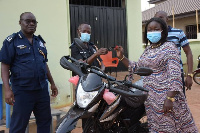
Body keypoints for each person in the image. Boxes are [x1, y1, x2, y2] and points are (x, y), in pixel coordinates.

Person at [115, 17, 198, 132]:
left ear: (163, 31)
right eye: (149, 30)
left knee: (171, 126)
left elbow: (175, 75)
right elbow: (137, 67)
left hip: (167, 97)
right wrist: (122, 57)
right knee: (157, 127)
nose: (152, 32)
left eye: (156, 29)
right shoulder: (148, 49)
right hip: (152, 99)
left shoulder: (169, 47)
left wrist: (170, 98)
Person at [0, 12, 58, 132]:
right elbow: (5, 65)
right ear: (20, 22)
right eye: (28, 21)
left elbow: (44, 64)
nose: (31, 24)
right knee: (18, 125)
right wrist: (7, 89)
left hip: (41, 89)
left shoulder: (39, 42)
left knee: (44, 122)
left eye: (34, 21)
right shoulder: (12, 41)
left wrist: (52, 83)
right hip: (22, 91)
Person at [69, 23, 108, 129]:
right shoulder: (75, 47)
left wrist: (101, 71)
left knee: (98, 110)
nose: (86, 34)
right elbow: (82, 64)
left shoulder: (92, 46)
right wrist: (96, 54)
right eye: (84, 31)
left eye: (88, 32)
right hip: (85, 84)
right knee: (87, 111)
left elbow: (101, 62)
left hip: (96, 81)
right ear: (78, 31)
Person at [155, 11, 193, 93]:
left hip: (176, 74)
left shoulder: (178, 33)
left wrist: (189, 74)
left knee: (179, 102)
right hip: (159, 75)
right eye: (157, 18)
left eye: (161, 17)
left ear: (167, 19)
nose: (159, 20)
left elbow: (188, 53)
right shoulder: (154, 35)